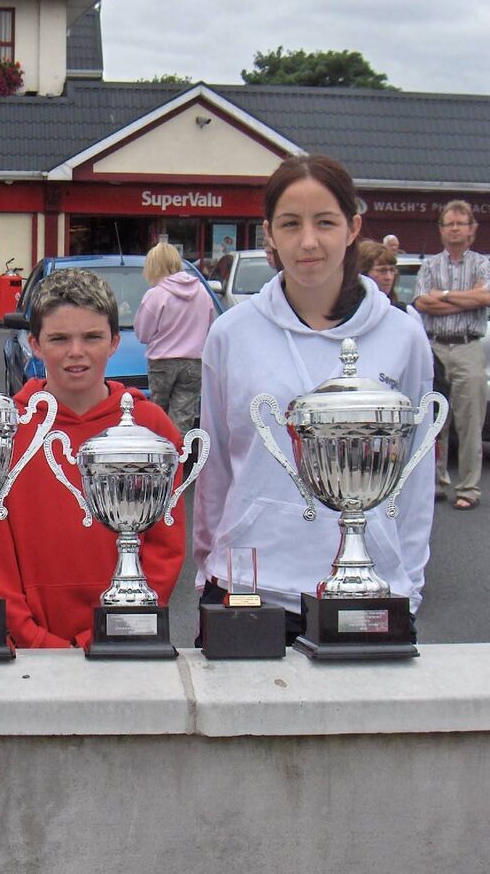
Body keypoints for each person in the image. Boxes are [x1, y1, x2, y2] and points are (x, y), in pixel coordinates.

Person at [193, 154, 434, 646]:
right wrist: (210, 566)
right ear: (269, 235)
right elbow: (215, 465)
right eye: (290, 223)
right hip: (250, 586)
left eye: (325, 222)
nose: (308, 241)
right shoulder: (231, 334)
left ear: (353, 228)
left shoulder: (403, 336)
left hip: (368, 588)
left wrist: (409, 582)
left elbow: (415, 475)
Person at [0, 268, 186, 649]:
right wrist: (30, 635)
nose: (76, 352)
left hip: (123, 638)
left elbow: (164, 548)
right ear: (34, 343)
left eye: (91, 337)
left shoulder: (152, 427)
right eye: (59, 338)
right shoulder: (7, 430)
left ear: (115, 341)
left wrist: (110, 629)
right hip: (25, 647)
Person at [413, 200, 490, 511]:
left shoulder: (481, 264)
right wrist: (466, 299)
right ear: (441, 230)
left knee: (470, 421)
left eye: (461, 223)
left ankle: (469, 488)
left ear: (472, 229)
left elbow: (485, 296)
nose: (455, 228)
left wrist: (442, 296)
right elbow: (422, 302)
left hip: (468, 346)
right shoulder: (430, 266)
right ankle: (435, 482)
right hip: (434, 347)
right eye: (449, 224)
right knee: (435, 419)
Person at [134, 241, 216, 433]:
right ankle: (180, 457)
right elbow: (210, 327)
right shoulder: (202, 292)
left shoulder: (156, 295)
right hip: (193, 362)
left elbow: (143, 333)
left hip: (162, 362)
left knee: (156, 415)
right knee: (183, 418)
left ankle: (159, 457)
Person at [358, 240, 423, 326]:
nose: (389, 277)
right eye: (382, 271)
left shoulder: (407, 313)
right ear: (363, 274)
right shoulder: (345, 314)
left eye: (392, 270)